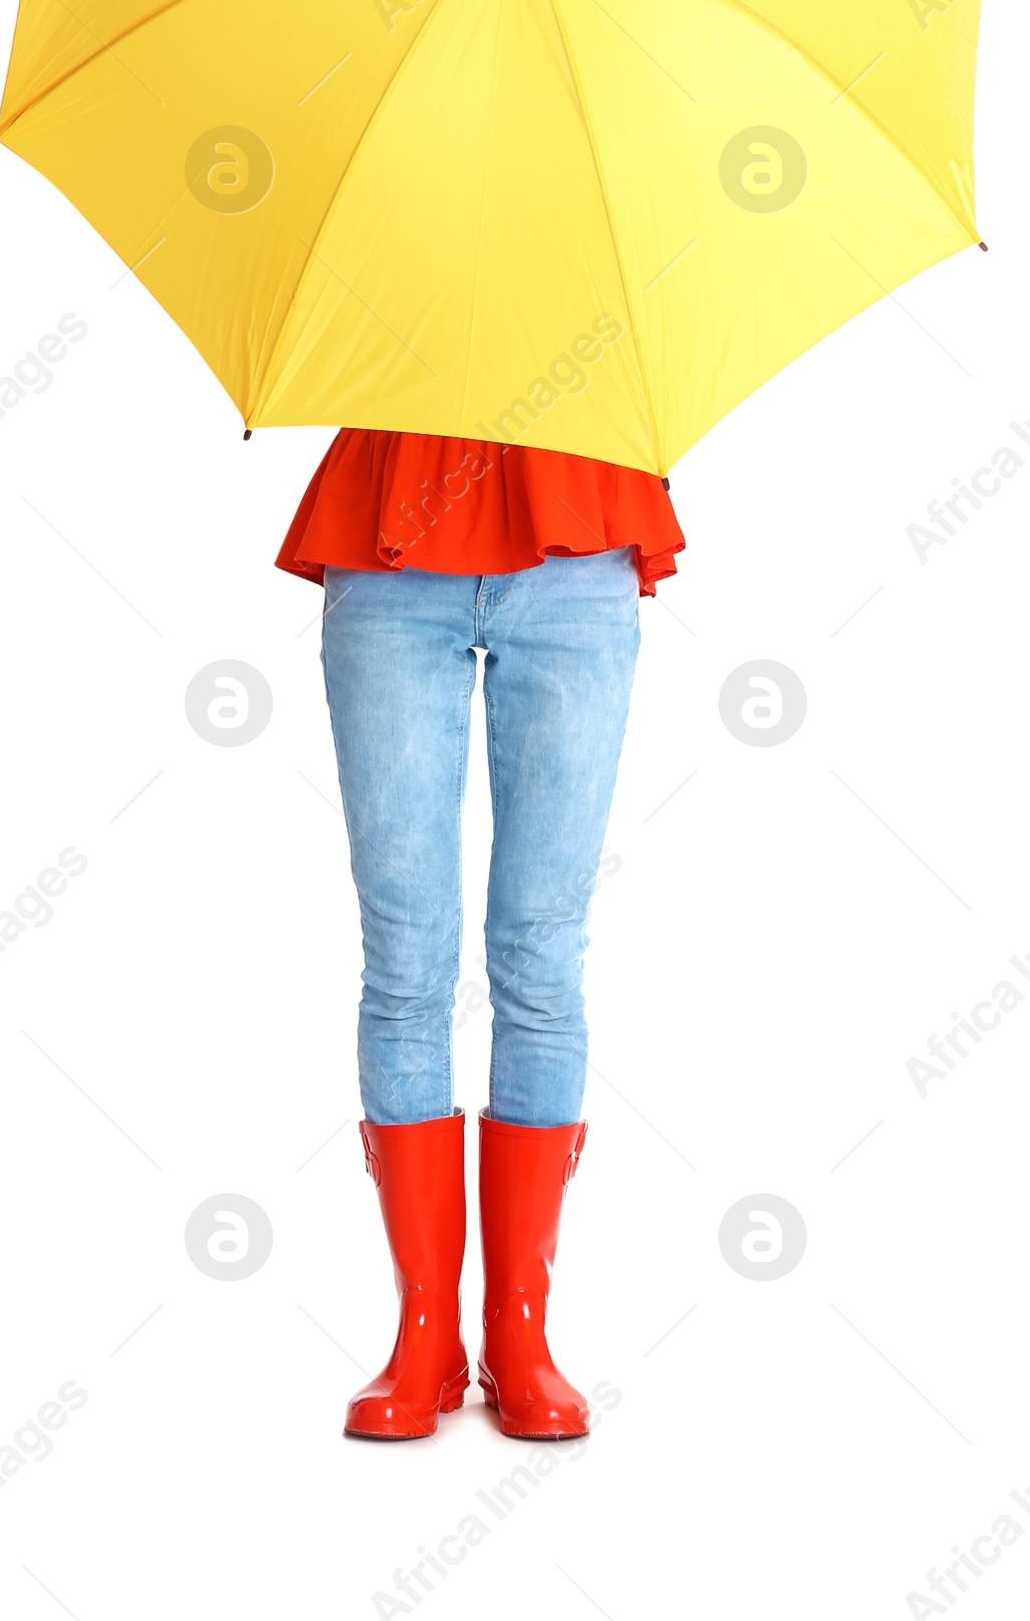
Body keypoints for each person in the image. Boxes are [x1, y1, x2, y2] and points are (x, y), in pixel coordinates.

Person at [277, 427, 684, 1440]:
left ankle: (518, 1335)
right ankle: (425, 1336)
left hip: (580, 547)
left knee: (539, 958)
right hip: (389, 551)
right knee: (407, 959)